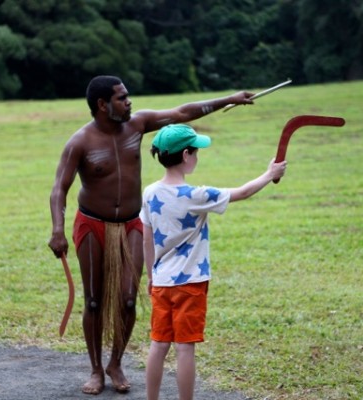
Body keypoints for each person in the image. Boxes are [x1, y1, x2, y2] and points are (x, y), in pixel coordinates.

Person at [48, 75, 255, 395]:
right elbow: (59, 189)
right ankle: (95, 369)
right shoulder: (80, 143)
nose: (129, 102)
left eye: (127, 96)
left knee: (129, 299)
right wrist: (58, 230)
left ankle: (116, 363)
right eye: (121, 98)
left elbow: (183, 113)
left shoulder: (137, 124)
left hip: (133, 223)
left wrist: (228, 99)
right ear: (103, 105)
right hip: (92, 225)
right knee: (92, 301)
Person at [140, 124, 287, 400]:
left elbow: (146, 238)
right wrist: (270, 173)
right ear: (186, 155)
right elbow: (242, 192)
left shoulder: (149, 193)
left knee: (158, 345)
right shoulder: (197, 195)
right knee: (185, 348)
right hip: (191, 285)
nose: (197, 157)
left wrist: (150, 275)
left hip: (161, 282)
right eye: (196, 152)